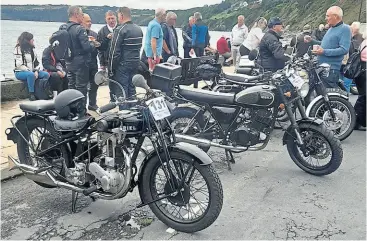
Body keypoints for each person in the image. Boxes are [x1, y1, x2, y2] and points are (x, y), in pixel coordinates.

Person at [304, 6, 351, 88]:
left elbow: (344, 49)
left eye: (327, 16)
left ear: (335, 16)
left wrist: (324, 52)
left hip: (331, 69)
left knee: (330, 97)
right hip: (321, 67)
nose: (326, 18)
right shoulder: (331, 28)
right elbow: (324, 44)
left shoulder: (345, 28)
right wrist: (311, 40)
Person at [59, 6, 97, 105]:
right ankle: (81, 112)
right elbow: (87, 48)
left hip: (68, 61)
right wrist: (93, 43)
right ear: (76, 15)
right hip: (81, 63)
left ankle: (72, 108)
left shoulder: (63, 27)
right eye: (81, 14)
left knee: (71, 86)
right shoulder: (79, 29)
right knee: (81, 87)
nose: (82, 16)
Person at [108, 7, 143, 110]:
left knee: (122, 92)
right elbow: (139, 48)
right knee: (132, 90)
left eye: (118, 16)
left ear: (121, 15)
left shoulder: (120, 30)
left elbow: (114, 52)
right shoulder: (138, 29)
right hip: (135, 63)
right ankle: (134, 114)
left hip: (123, 65)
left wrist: (111, 70)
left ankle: (125, 118)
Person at [13, 32, 50, 101]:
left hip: (32, 71)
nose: (33, 40)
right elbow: (19, 65)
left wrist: (36, 70)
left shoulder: (32, 49)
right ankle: (31, 93)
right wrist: (31, 71)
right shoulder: (18, 49)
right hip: (20, 72)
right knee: (30, 75)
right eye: (31, 39)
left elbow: (36, 63)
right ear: (27, 40)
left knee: (46, 74)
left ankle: (42, 91)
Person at [97, 10, 117, 102]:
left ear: (115, 18)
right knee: (111, 80)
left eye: (112, 18)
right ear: (106, 19)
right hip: (108, 60)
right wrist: (102, 64)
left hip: (119, 59)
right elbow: (100, 49)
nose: (111, 20)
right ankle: (112, 98)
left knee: (120, 79)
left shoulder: (120, 28)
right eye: (109, 18)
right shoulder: (102, 31)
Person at [82, 13, 100, 111]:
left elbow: (99, 49)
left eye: (90, 21)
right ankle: (82, 106)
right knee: (83, 86)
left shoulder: (94, 34)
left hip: (93, 62)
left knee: (94, 84)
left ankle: (92, 104)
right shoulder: (79, 34)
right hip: (83, 64)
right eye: (87, 21)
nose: (90, 23)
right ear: (82, 21)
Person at [354, 38, 366, 130]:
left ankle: (356, 121)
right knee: (363, 98)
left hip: (360, 73)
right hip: (364, 72)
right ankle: (360, 121)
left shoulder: (364, 42)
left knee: (362, 97)